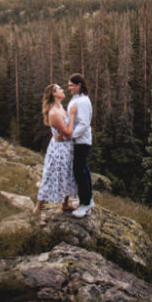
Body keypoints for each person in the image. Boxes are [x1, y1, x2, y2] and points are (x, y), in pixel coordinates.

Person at [32, 83, 78, 225]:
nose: (63, 89)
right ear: (53, 94)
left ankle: (65, 204)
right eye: (59, 89)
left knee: (68, 174)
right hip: (59, 149)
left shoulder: (60, 107)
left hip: (66, 147)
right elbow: (68, 133)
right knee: (50, 177)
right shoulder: (53, 112)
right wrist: (72, 115)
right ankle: (37, 212)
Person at [67, 73, 94, 218]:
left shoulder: (82, 101)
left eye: (71, 85)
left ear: (79, 85)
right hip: (80, 140)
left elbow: (84, 123)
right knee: (83, 169)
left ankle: (85, 204)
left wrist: (71, 136)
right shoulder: (77, 98)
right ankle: (88, 198)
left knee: (79, 171)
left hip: (81, 141)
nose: (69, 88)